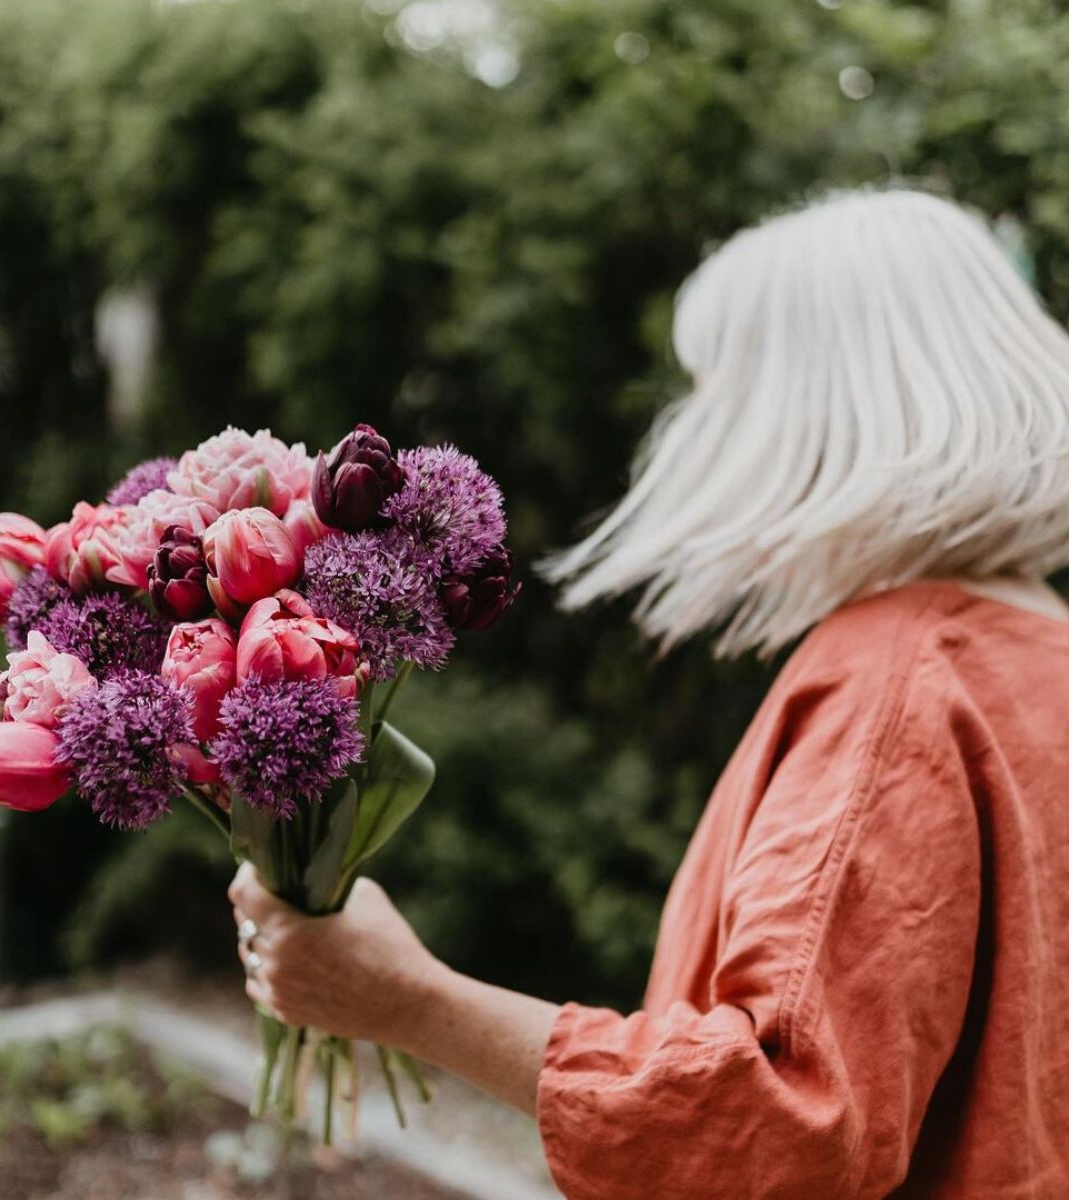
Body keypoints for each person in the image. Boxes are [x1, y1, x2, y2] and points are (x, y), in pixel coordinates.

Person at [229, 189, 1069, 1198]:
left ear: (811, 405)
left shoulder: (897, 687)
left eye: (720, 389)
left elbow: (780, 1122)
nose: (699, 427)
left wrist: (404, 998)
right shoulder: (1038, 658)